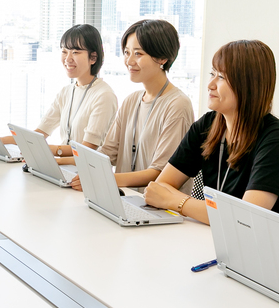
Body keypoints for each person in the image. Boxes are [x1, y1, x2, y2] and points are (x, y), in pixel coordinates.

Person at [142, 40, 279, 260]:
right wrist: (213, 213)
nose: (211, 84)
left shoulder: (277, 140)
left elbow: (244, 218)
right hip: (220, 245)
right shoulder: (208, 125)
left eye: (221, 77)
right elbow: (160, 187)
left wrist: (177, 201)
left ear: (248, 85)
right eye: (213, 73)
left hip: (272, 260)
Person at [70, 19, 193, 191]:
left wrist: (103, 178)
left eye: (138, 54)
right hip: (124, 199)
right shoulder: (131, 101)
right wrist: (69, 167)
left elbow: (159, 172)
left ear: (162, 58)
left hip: (157, 210)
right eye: (127, 53)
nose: (129, 61)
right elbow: (107, 153)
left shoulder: (177, 105)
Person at [0, 24, 119, 156]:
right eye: (64, 51)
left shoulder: (104, 95)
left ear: (93, 58)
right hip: (62, 167)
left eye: (75, 52)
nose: (68, 59)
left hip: (85, 173)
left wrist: (50, 151)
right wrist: (1, 141)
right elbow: (39, 134)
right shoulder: (66, 92)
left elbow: (87, 149)